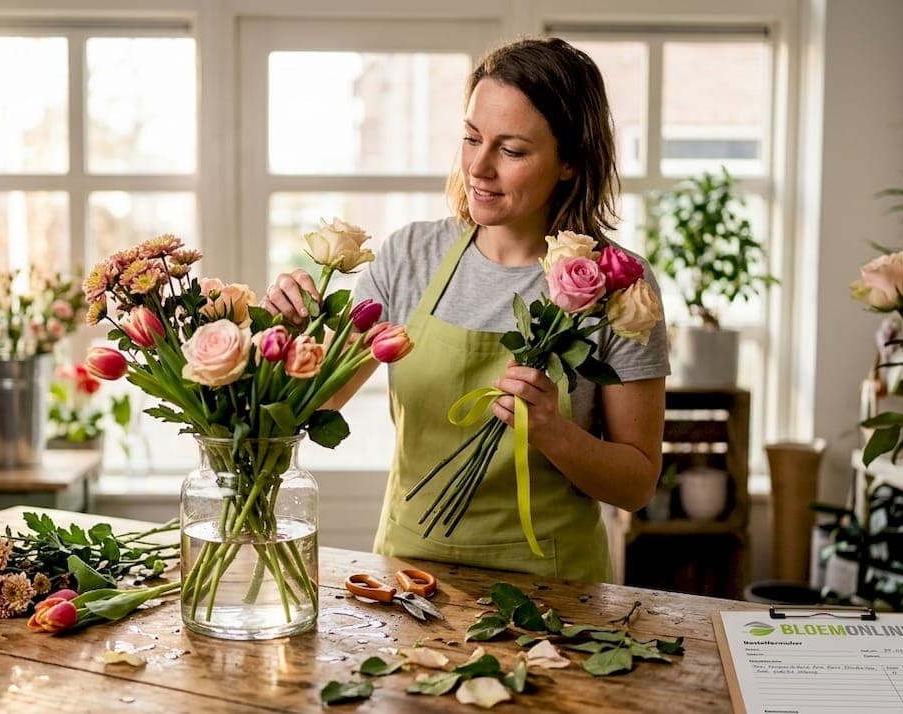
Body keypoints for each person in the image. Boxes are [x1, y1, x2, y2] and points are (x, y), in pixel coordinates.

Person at [262, 37, 670, 583]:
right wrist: (289, 337)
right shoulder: (411, 257)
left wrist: (554, 430)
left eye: (513, 150)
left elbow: (636, 484)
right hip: (408, 578)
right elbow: (314, 405)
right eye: (471, 137)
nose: (479, 167)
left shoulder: (620, 285)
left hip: (555, 590)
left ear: (570, 160)